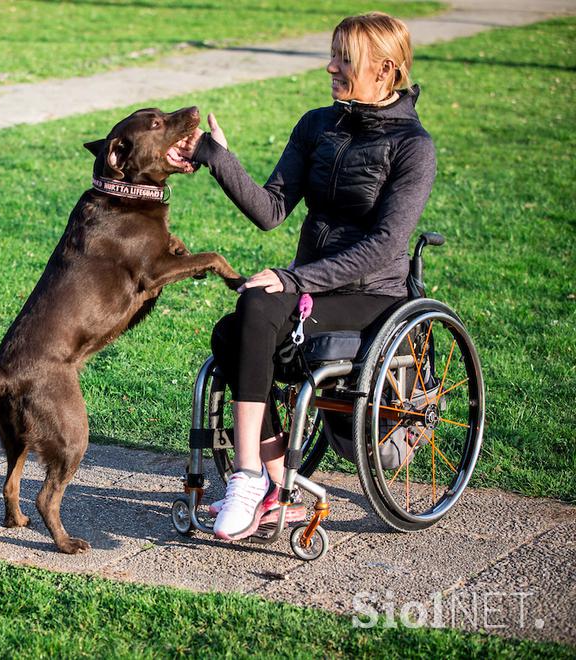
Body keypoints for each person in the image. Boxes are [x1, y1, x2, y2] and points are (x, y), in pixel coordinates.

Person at [171, 12, 436, 540]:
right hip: (311, 288)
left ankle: (248, 479)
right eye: (333, 55)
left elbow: (384, 245)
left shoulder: (413, 147)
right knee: (236, 328)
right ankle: (269, 483)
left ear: (385, 70)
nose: (331, 67)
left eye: (345, 59)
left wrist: (296, 281)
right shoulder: (318, 125)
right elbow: (271, 210)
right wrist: (213, 156)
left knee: (258, 305)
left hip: (373, 298)